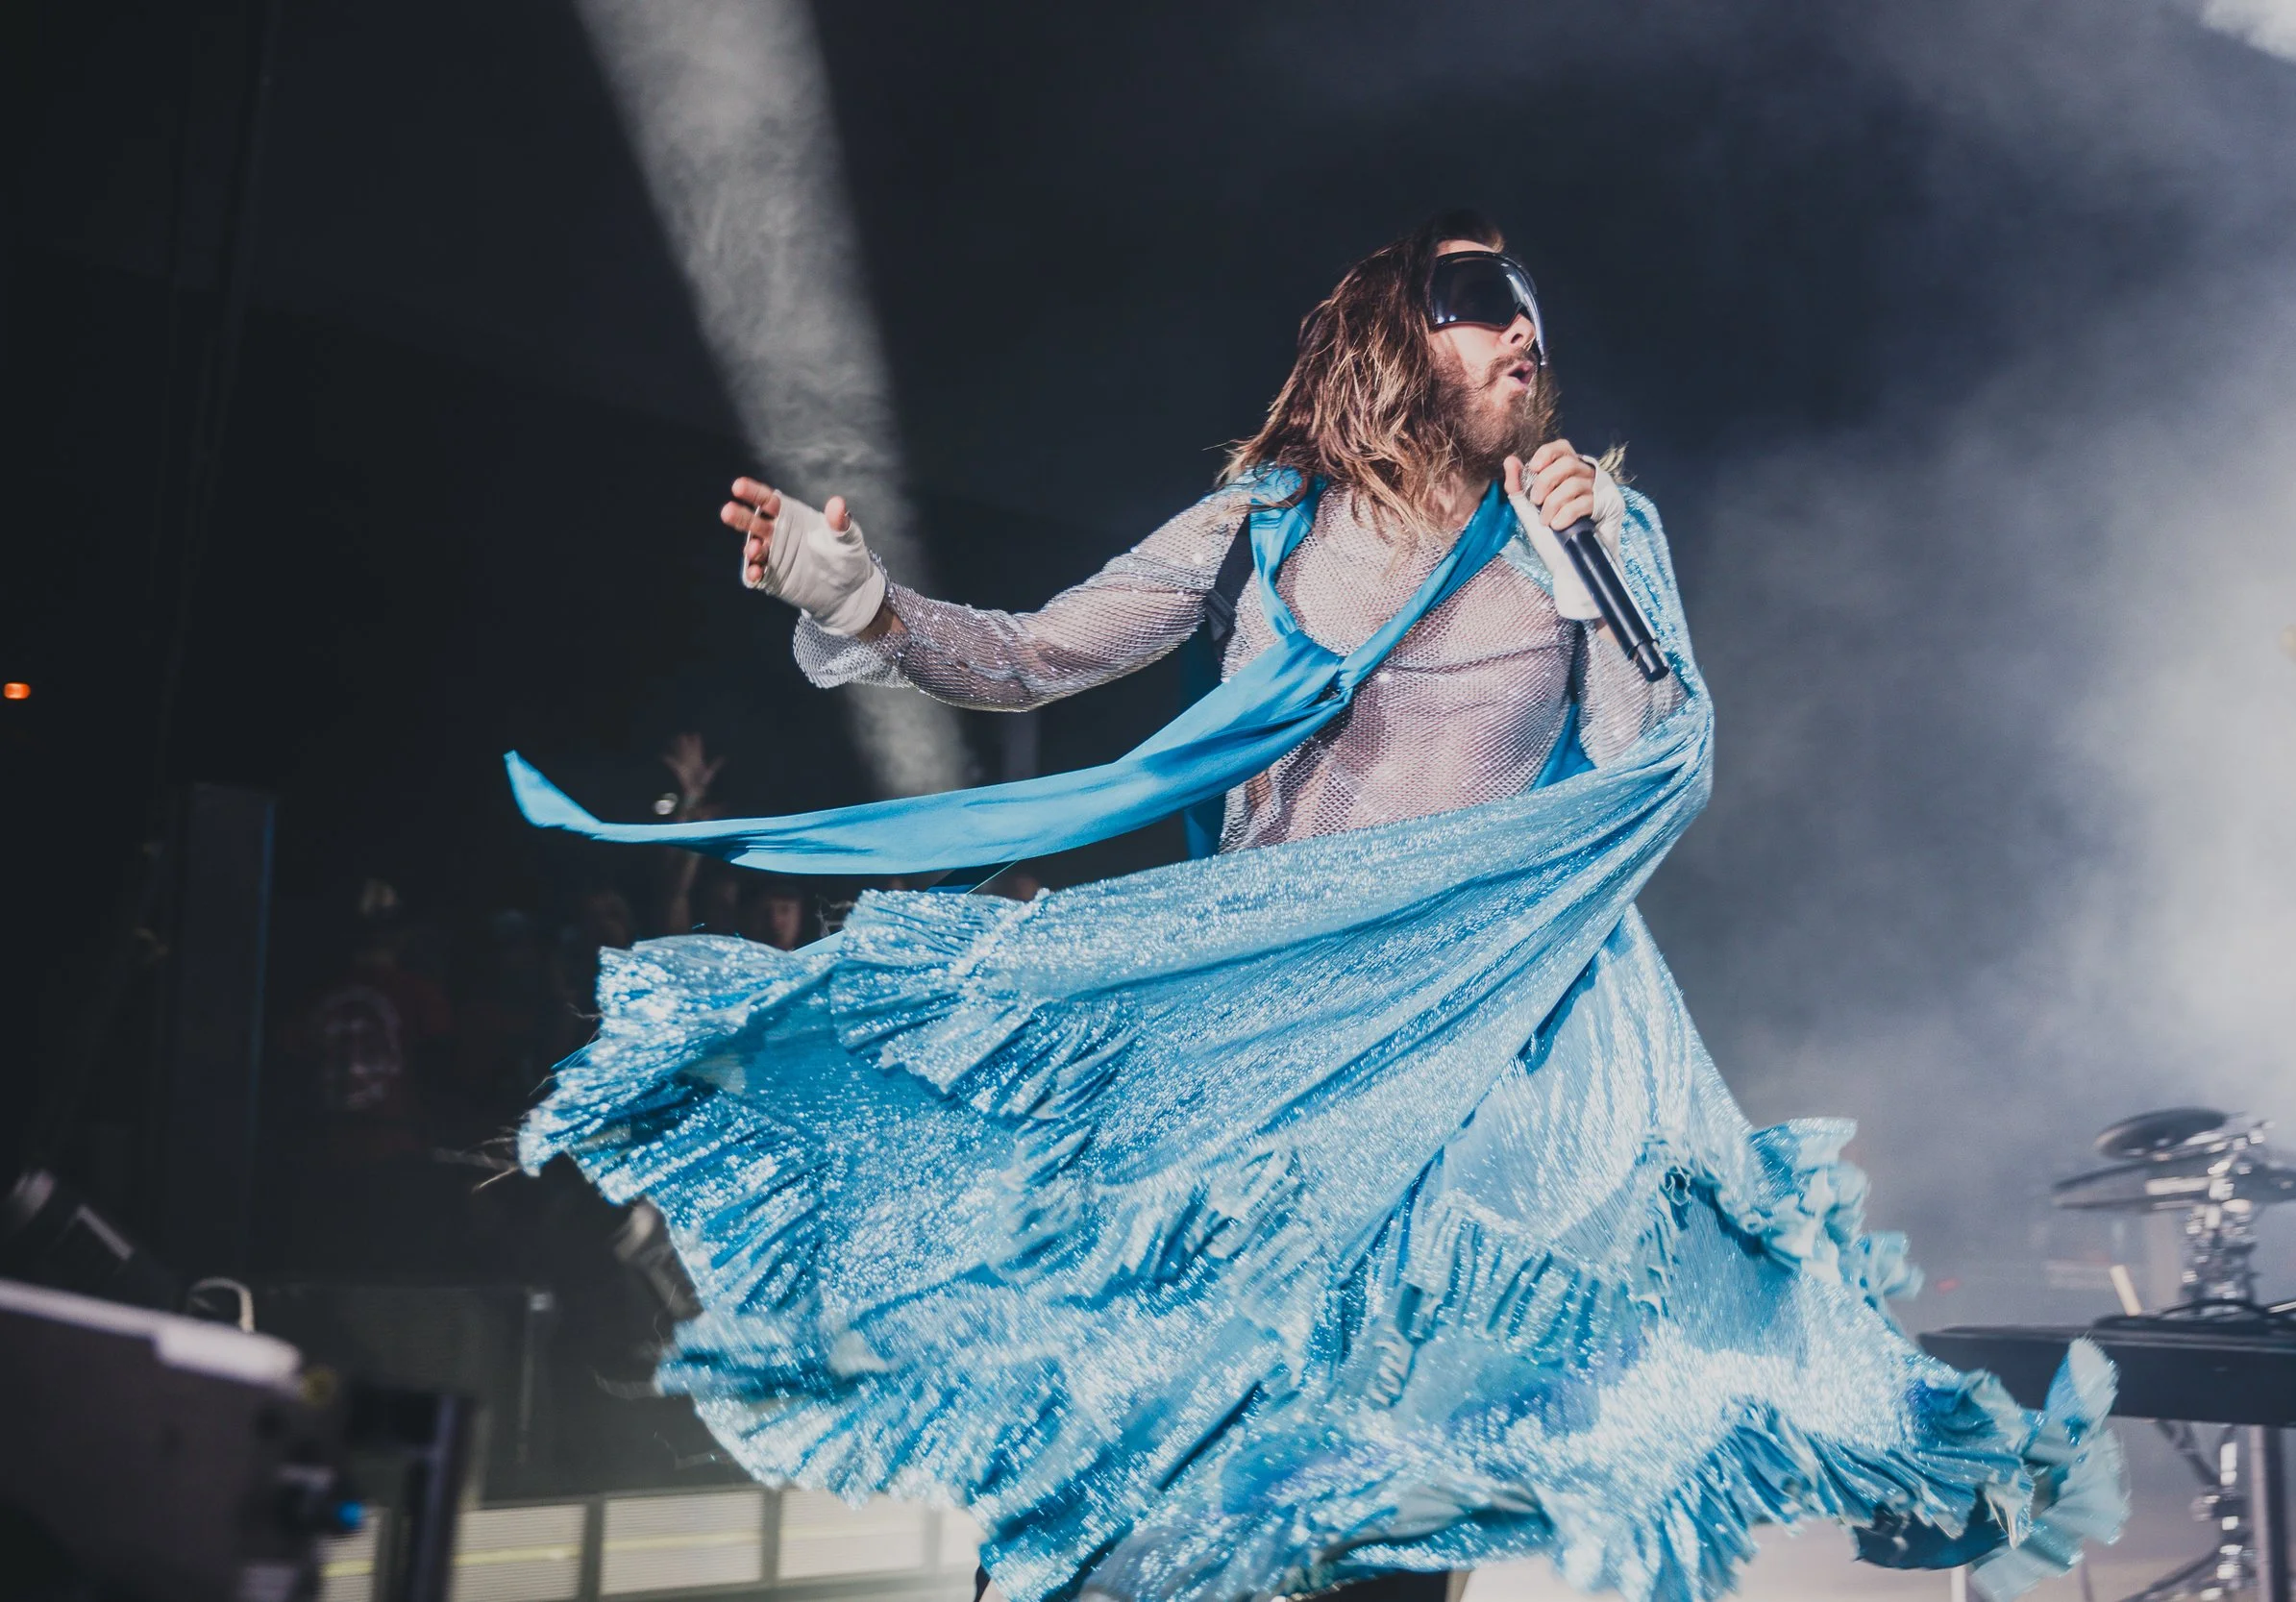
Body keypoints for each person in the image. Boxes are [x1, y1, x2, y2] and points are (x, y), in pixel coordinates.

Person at [512, 211, 2121, 1602]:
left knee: (1390, 1476)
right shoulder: (1268, 521)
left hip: (1461, 1073)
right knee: (1147, 1455)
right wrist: (860, 600)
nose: (1523, 333)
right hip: (1261, 1052)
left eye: (1530, 312)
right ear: (1391, 343)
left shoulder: (1599, 532)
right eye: (1481, 304)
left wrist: (1590, 578)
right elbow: (1038, 654)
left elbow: (1656, 764)